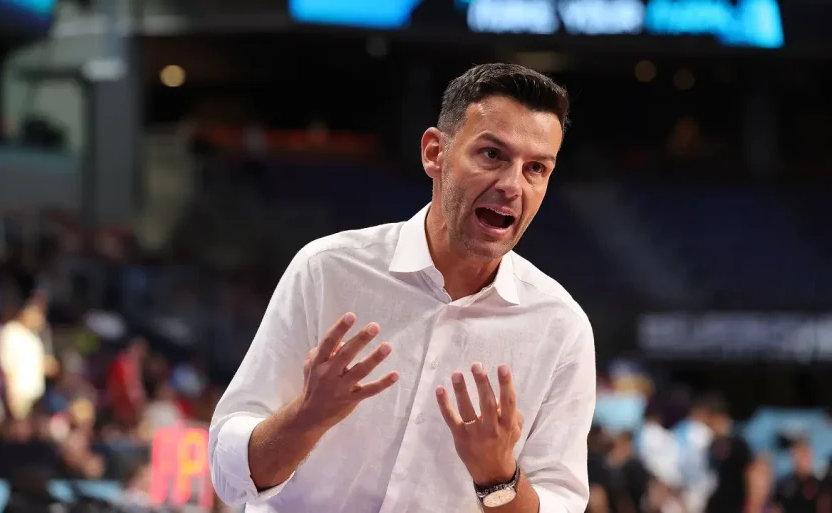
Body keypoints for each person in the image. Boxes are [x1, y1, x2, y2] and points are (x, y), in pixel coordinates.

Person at [209, 63, 595, 513]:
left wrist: (498, 477)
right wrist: (307, 416)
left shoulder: (561, 329)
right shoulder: (328, 270)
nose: (512, 185)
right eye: (492, 155)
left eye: (536, 168)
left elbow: (559, 502)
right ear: (434, 153)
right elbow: (229, 476)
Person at [703, 396, 755, 513]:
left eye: (717, 421)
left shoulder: (739, 444)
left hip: (735, 500)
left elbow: (748, 468)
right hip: (716, 500)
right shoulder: (709, 444)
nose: (714, 426)